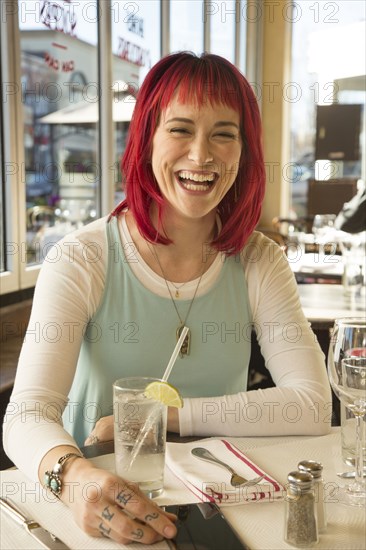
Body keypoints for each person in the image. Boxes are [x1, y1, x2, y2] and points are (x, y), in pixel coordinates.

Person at [3, 52, 331, 545]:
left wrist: (163, 418)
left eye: (224, 133)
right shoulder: (83, 257)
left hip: (221, 497)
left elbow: (309, 404)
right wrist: (72, 480)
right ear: (146, 139)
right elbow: (26, 415)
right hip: (99, 502)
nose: (201, 156)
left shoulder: (260, 259)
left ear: (244, 150)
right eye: (180, 129)